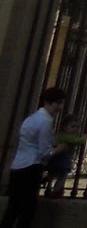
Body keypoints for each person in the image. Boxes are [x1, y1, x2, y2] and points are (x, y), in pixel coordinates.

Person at [0, 87, 68, 228]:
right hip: (31, 167)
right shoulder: (46, 122)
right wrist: (60, 149)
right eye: (58, 103)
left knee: (13, 208)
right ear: (48, 102)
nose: (60, 107)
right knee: (28, 210)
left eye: (61, 103)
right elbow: (44, 152)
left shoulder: (31, 119)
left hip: (17, 166)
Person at [44, 114, 84, 196]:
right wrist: (85, 138)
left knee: (52, 174)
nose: (75, 129)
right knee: (61, 177)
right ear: (65, 127)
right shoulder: (66, 136)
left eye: (77, 127)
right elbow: (77, 141)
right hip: (62, 161)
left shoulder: (60, 136)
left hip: (55, 160)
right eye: (73, 126)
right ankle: (56, 191)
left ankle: (48, 186)